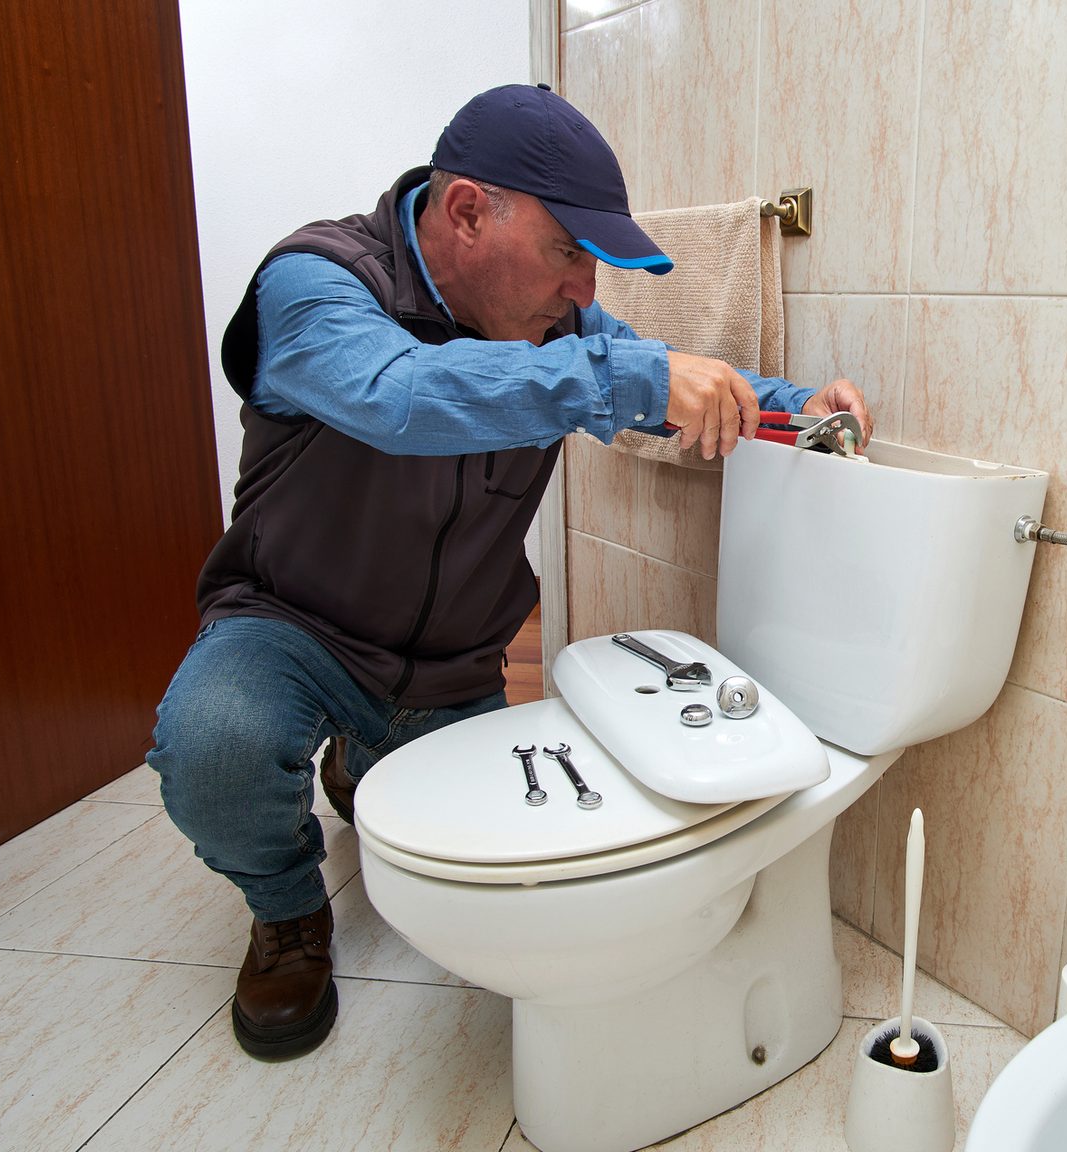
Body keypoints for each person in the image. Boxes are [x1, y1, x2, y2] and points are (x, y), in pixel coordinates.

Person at [147, 83, 871, 1061]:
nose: (586, 291)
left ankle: (366, 756)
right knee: (215, 746)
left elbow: (664, 379)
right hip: (294, 629)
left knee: (527, 873)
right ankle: (286, 913)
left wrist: (799, 408)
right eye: (571, 251)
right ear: (467, 212)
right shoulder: (317, 284)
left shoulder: (563, 331)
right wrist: (628, 379)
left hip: (452, 661)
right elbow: (399, 396)